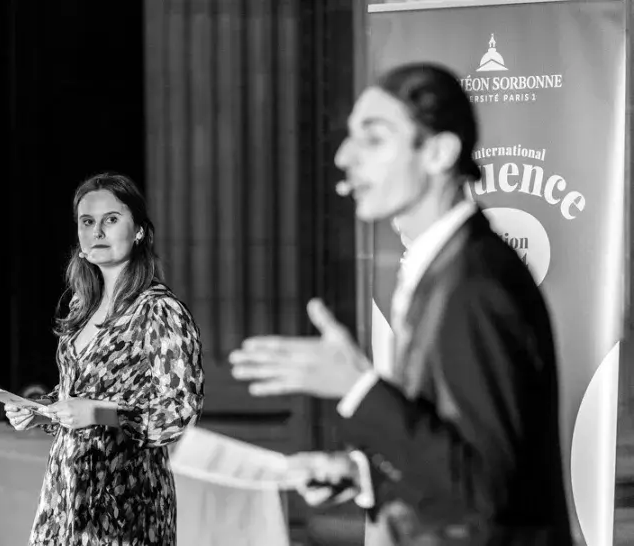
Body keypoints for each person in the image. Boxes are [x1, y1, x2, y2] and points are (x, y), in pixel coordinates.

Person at [229, 63, 571, 545]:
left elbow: (483, 493)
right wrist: (361, 473)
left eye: (373, 139)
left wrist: (358, 387)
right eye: (350, 137)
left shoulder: (475, 284)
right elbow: (452, 457)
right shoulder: (441, 268)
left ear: (438, 152)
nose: (345, 156)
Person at [4, 172, 205, 545]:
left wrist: (102, 413)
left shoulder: (159, 310)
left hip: (126, 494)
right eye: (87, 222)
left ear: (139, 230)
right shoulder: (82, 306)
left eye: (111, 219)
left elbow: (180, 412)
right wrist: (40, 411)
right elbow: (80, 394)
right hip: (66, 488)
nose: (97, 231)